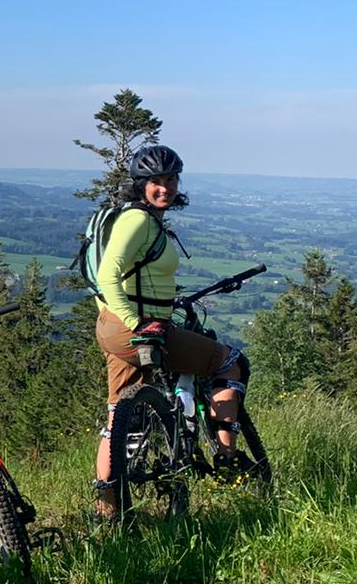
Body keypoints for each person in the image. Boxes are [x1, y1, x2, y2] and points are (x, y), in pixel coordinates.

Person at [92, 144, 253, 519]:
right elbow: (107, 275)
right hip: (137, 327)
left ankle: (106, 510)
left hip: (113, 327)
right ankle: (227, 460)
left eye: (171, 180)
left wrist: (118, 320)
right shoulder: (138, 221)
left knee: (119, 415)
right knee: (229, 362)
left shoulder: (133, 217)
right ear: (141, 184)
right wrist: (136, 322)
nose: (165, 188)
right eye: (156, 182)